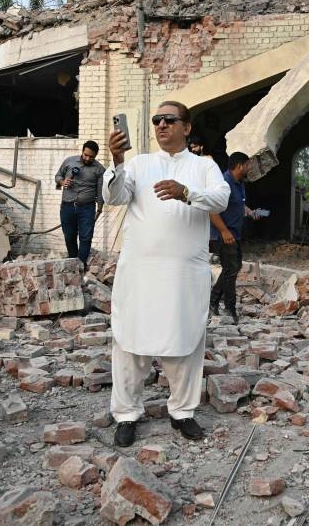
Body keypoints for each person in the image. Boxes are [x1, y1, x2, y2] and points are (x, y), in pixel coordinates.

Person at [103, 101, 229, 448]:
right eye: (157, 120)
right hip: (141, 273)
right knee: (130, 342)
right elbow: (114, 196)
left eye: (169, 120)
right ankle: (127, 415)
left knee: (184, 341)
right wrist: (116, 162)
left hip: (183, 274)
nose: (161, 125)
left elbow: (221, 199)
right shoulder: (140, 164)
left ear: (186, 128)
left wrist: (185, 193)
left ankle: (183, 413)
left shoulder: (204, 166)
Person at [209, 151, 256, 323]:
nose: (249, 168)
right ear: (240, 165)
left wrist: (250, 212)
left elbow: (239, 204)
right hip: (224, 234)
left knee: (233, 268)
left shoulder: (239, 183)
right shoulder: (223, 183)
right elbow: (212, 209)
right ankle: (229, 308)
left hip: (234, 234)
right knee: (231, 269)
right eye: (248, 164)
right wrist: (224, 231)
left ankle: (213, 301)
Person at [55, 140, 105, 269]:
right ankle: (72, 262)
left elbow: (101, 191)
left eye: (91, 156)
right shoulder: (69, 162)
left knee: (86, 237)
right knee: (69, 236)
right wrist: (62, 182)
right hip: (67, 206)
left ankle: (81, 265)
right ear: (82, 152)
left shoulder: (99, 170)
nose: (87, 158)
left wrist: (99, 209)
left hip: (87, 208)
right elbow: (58, 175)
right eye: (85, 155)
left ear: (96, 156)